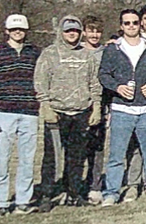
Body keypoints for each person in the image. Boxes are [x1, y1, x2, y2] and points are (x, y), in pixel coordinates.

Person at [98, 9, 146, 205]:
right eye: (127, 23)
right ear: (121, 26)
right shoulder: (112, 49)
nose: (131, 26)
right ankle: (111, 193)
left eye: (135, 22)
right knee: (117, 155)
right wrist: (117, 87)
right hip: (122, 110)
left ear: (140, 24)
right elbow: (103, 75)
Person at [33, 16, 102, 207]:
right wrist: (45, 107)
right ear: (61, 32)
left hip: (81, 114)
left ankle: (74, 193)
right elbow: (40, 82)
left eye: (76, 31)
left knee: (76, 157)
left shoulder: (87, 55)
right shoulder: (49, 54)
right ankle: (47, 195)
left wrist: (96, 108)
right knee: (52, 158)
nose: (72, 34)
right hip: (56, 113)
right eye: (68, 31)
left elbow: (95, 84)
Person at [0, 14, 42, 217]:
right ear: (7, 30)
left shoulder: (35, 53)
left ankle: (23, 202)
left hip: (30, 113)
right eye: (14, 29)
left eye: (21, 29)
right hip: (3, 113)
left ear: (26, 30)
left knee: (27, 159)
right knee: (2, 159)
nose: (18, 31)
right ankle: (1, 203)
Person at [81, 16, 109, 205]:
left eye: (97, 31)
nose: (94, 35)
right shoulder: (77, 51)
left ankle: (95, 186)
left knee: (97, 149)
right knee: (76, 149)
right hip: (78, 106)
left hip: (101, 106)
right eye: (90, 31)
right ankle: (72, 185)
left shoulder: (106, 52)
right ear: (84, 32)